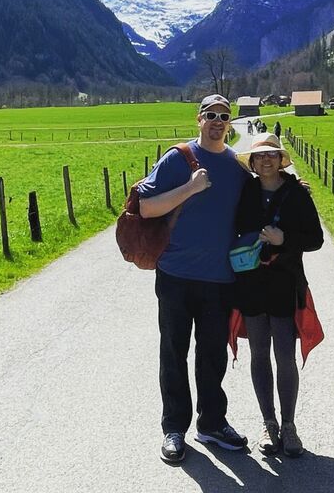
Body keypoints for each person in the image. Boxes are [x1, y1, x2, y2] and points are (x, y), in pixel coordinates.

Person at [137, 95, 250, 465]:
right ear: (199, 119)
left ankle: (212, 423)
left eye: (224, 116)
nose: (217, 121)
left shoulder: (235, 166)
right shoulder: (179, 159)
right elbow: (145, 206)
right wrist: (190, 187)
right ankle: (174, 429)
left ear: (229, 124)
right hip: (176, 275)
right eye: (211, 115)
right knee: (173, 352)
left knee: (213, 355)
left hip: (219, 278)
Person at [231, 133, 324, 457]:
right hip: (252, 285)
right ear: (253, 164)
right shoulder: (246, 192)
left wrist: (285, 240)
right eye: (260, 157)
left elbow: (316, 239)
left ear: (280, 160)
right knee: (259, 355)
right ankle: (268, 424)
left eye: (272, 155)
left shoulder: (297, 194)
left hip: (285, 284)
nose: (266, 160)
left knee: (284, 356)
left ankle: (289, 426)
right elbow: (234, 229)